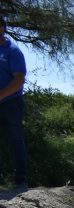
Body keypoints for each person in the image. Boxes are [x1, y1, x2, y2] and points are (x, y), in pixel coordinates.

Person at [0, 14, 27, 189]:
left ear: (2, 28)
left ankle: (21, 179)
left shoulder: (13, 51)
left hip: (11, 103)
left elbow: (18, 80)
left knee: (15, 139)